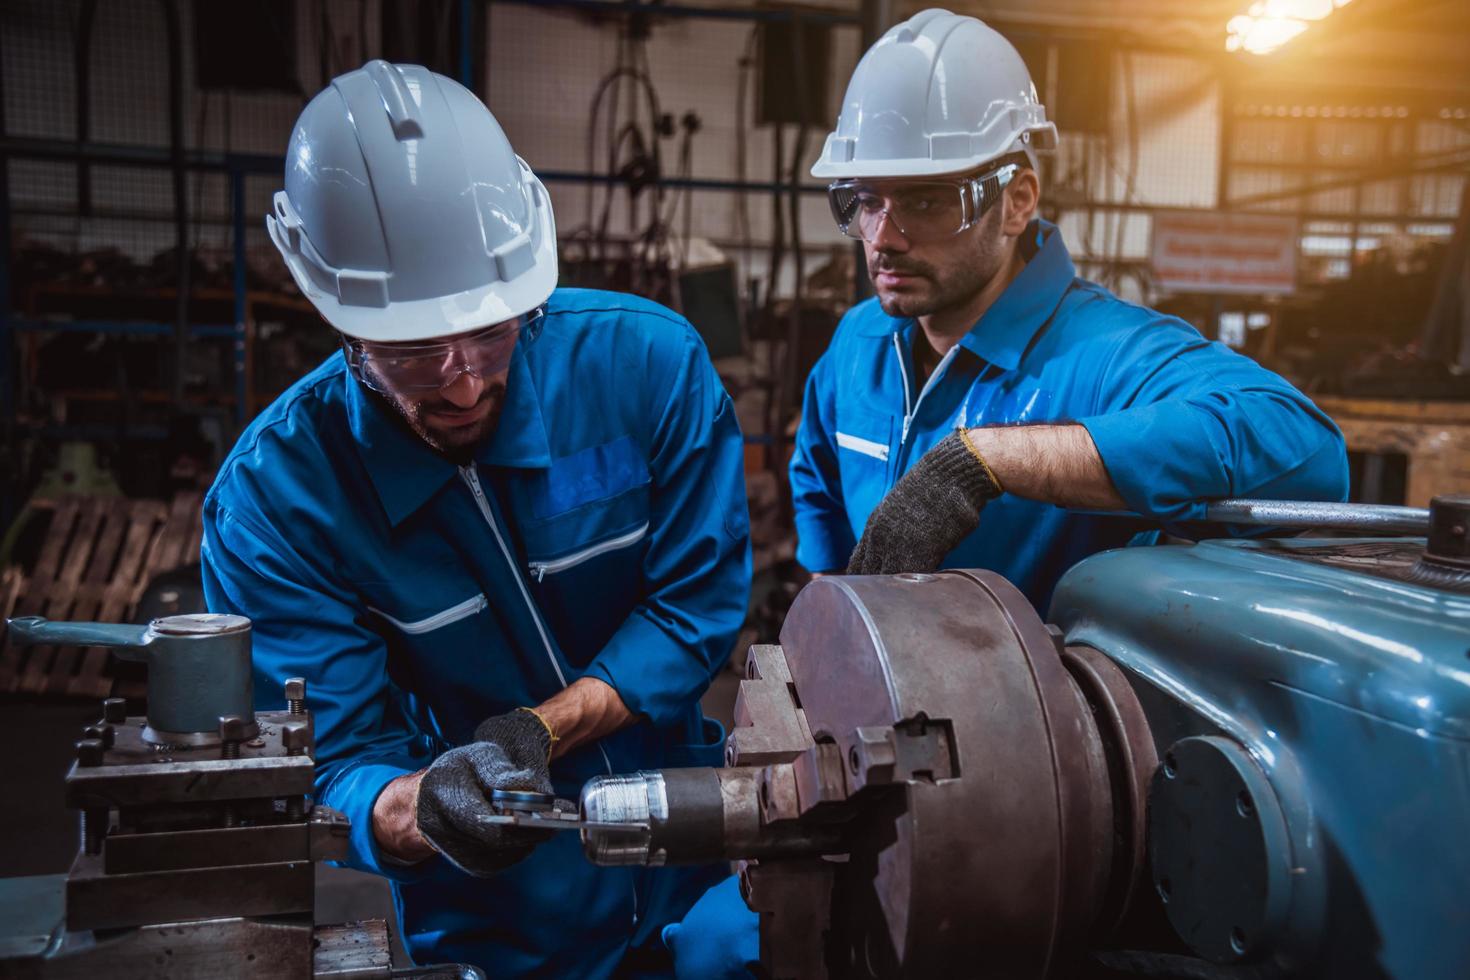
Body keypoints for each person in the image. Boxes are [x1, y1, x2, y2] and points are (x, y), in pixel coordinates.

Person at [200, 60, 753, 977]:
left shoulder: (646, 369)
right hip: (491, 911)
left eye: (493, 329)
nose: (462, 379)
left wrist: (536, 730)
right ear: (336, 315)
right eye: (414, 350)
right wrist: (423, 807)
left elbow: (694, 608)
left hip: (695, 854)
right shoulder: (277, 503)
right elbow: (335, 762)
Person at [790, 9, 1347, 607]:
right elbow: (817, 483)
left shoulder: (1105, 355)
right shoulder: (859, 341)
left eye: (927, 202)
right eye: (866, 201)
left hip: (1032, 695)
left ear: (1016, 202)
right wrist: (832, 611)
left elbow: (1307, 451)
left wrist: (993, 458)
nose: (883, 238)